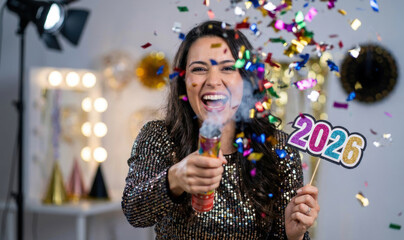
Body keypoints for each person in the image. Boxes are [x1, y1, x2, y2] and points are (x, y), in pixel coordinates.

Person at [122, 20, 319, 239]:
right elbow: (134, 213)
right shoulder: (159, 136)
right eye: (198, 69)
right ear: (184, 81)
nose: (214, 81)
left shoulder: (278, 148)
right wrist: (175, 179)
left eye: (228, 68)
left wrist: (294, 236)